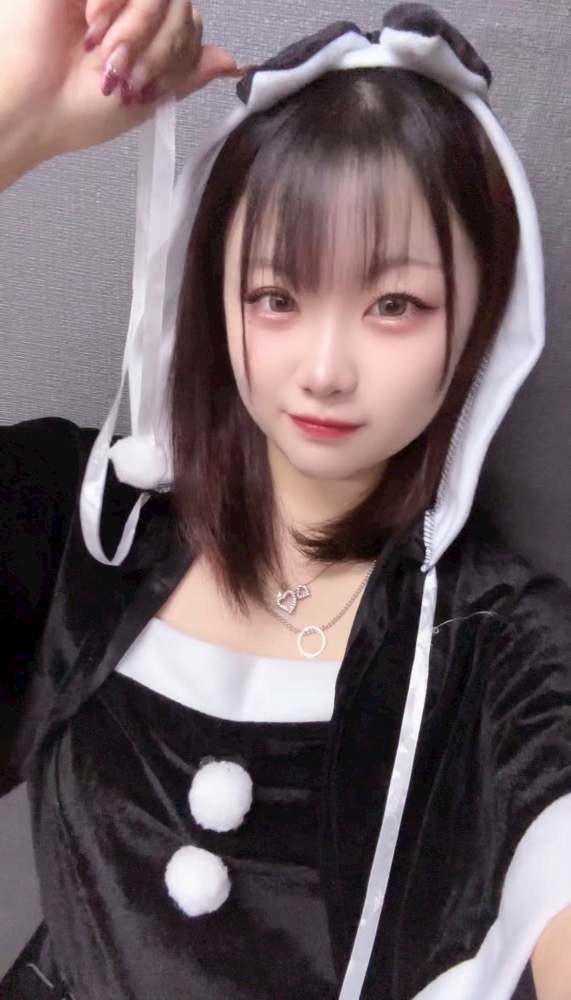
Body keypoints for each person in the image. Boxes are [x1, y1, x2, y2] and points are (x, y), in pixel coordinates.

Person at [1, 1, 570, 999]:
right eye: (276, 296)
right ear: (216, 294)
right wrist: (15, 122)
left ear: (477, 317)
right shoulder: (87, 526)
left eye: (393, 304)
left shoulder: (501, 650)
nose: (323, 369)